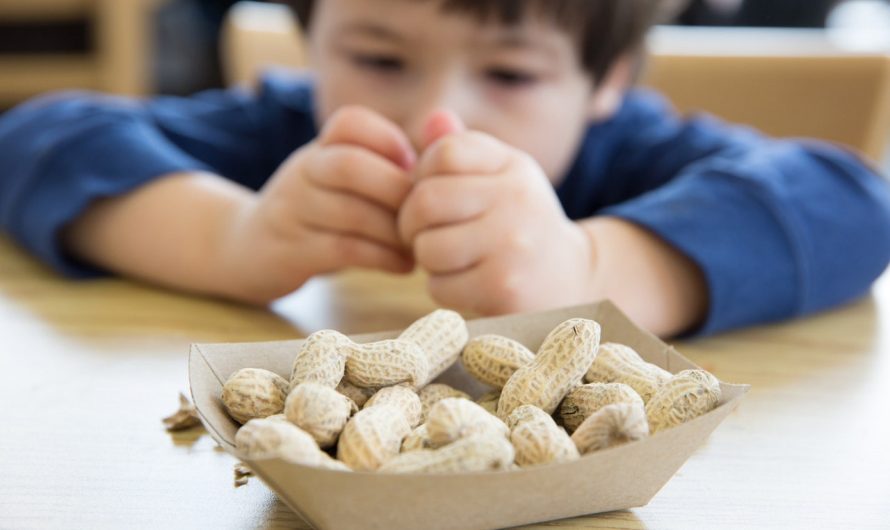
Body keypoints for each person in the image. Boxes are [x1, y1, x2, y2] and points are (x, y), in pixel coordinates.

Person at [0, 0, 888, 338]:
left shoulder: (635, 156)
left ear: (608, 81)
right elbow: (42, 137)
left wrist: (591, 269)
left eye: (510, 73)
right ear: (310, 41)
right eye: (380, 59)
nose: (440, 120)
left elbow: (853, 201)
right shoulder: (283, 135)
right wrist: (228, 235)